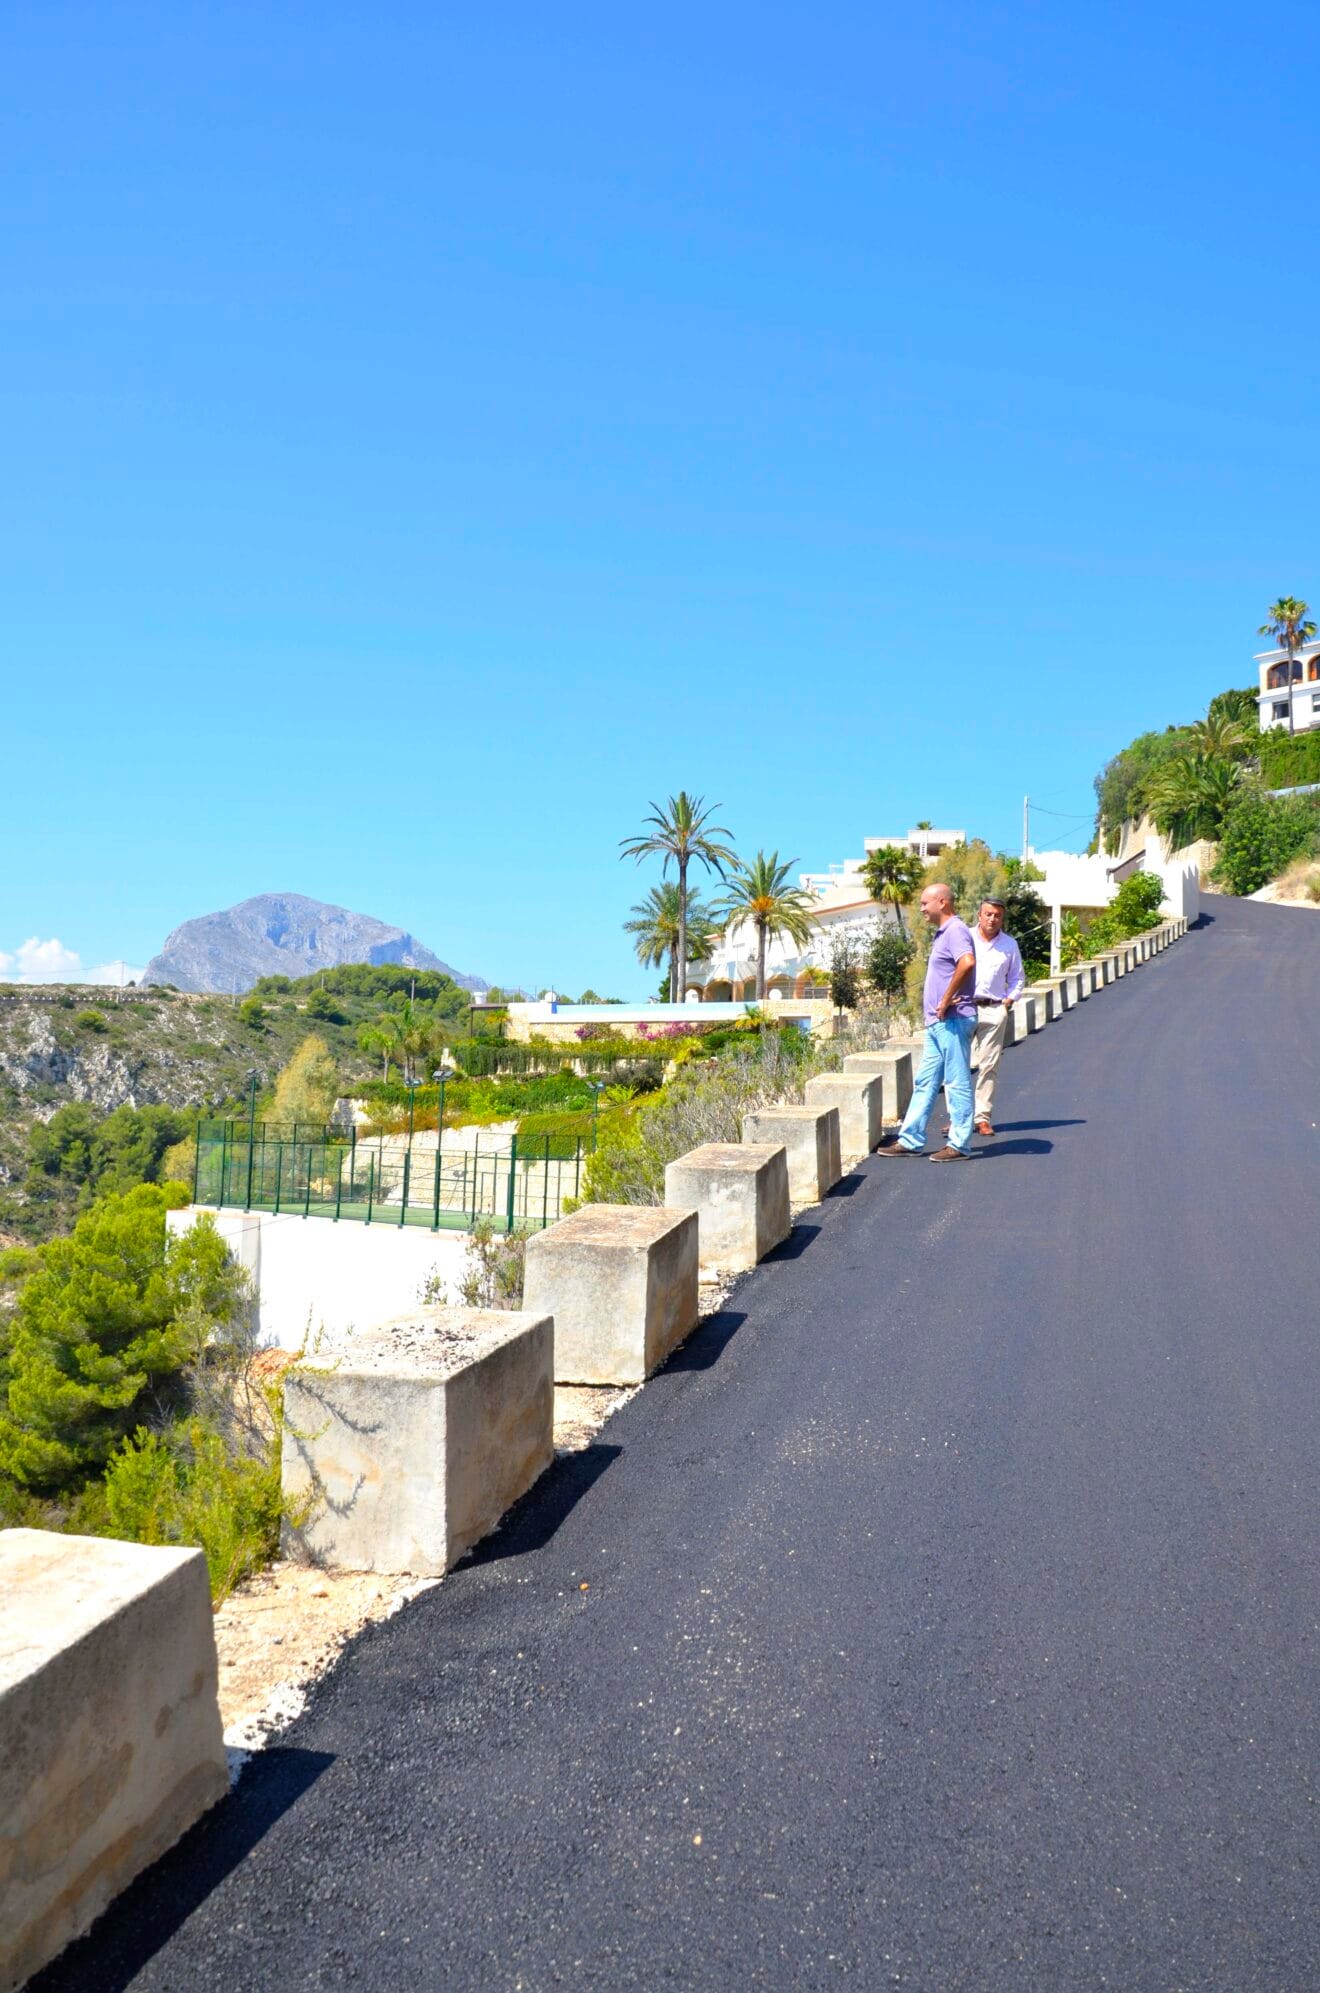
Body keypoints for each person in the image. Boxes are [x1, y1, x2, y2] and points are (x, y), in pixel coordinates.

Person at [877, 883, 977, 1160]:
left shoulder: (955, 930)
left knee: (956, 1082)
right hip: (938, 1022)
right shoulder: (943, 933)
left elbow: (967, 962)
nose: (921, 909)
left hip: (953, 1019)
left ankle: (959, 1145)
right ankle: (910, 1140)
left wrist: (946, 999)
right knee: (925, 1081)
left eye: (924, 903)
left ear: (942, 902)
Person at [968, 897, 1025, 1137]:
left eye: (997, 916)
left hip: (993, 1009)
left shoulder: (1009, 945)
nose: (992, 919)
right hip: (964, 1008)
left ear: (1002, 919)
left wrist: (1008, 1001)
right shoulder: (965, 938)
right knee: (957, 1064)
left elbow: (1017, 978)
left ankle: (982, 1117)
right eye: (988, 914)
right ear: (979, 915)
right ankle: (958, 1117)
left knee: (989, 1065)